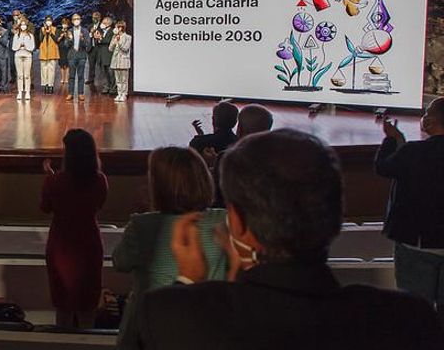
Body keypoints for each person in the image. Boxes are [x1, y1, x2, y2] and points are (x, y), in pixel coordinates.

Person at [134, 129, 444, 350]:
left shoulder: (170, 315)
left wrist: (188, 282)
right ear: (336, 216)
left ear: (237, 223)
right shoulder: (409, 320)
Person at [113, 147, 227, 350]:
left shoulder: (141, 226)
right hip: (210, 323)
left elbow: (120, 262)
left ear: (156, 187)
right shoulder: (225, 220)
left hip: (150, 328)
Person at [375, 97, 444, 321]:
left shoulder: (413, 152)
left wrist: (392, 141)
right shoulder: (412, 152)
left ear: (431, 123)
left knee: (415, 312)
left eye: (427, 113)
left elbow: (385, 167)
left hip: (416, 243)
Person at [40, 129, 108, 328]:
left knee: (63, 303)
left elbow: (45, 208)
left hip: (61, 245)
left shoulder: (53, 181)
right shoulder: (100, 180)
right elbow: (98, 204)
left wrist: (50, 177)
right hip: (89, 243)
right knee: (88, 303)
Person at [63, 14, 91, 102]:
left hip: (82, 56)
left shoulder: (85, 31)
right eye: (74, 19)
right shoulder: (69, 31)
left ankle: (80, 93)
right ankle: (70, 93)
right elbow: (66, 45)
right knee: (71, 76)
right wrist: (70, 39)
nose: (76, 20)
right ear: (72, 21)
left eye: (78, 19)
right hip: (72, 56)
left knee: (81, 75)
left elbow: (88, 44)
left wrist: (82, 39)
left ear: (80, 20)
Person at [12, 18, 35, 101]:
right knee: (20, 75)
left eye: (24, 25)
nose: (23, 26)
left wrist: (25, 46)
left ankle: (27, 92)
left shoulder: (30, 35)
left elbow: (32, 47)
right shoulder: (16, 35)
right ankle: (20, 92)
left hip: (28, 56)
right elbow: (14, 47)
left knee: (27, 75)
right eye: (21, 25)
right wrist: (19, 45)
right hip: (18, 55)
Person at [108, 20, 132, 102]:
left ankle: (124, 94)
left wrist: (119, 42)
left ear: (121, 28)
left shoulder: (128, 37)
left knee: (124, 79)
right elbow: (110, 49)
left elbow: (125, 49)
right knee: (117, 79)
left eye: (117, 27)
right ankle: (119, 93)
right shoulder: (114, 37)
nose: (116, 29)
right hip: (115, 60)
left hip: (123, 60)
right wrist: (114, 42)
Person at [92, 16, 115, 95]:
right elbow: (97, 42)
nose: (102, 24)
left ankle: (113, 88)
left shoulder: (112, 32)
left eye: (104, 23)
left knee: (110, 72)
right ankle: (106, 87)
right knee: (103, 72)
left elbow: (109, 41)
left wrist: (100, 38)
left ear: (109, 23)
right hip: (101, 55)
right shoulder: (101, 31)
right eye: (102, 23)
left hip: (108, 55)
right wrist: (96, 38)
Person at [38, 15, 60, 94]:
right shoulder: (42, 29)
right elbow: (40, 39)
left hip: (52, 52)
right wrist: (45, 32)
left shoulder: (55, 29)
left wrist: (50, 33)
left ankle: (51, 85)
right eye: (47, 20)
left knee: (51, 69)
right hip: (44, 52)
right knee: (44, 69)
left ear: (52, 21)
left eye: (50, 20)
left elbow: (57, 40)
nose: (48, 22)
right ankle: (45, 85)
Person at [86, 11, 102, 87]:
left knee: (100, 64)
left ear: (99, 18)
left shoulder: (102, 26)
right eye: (93, 17)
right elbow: (87, 37)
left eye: (96, 17)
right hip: (91, 48)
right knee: (91, 64)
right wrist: (91, 33)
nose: (94, 19)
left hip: (98, 48)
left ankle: (102, 80)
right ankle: (90, 79)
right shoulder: (90, 26)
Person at [56, 17, 71, 90]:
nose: (64, 25)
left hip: (68, 49)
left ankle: (67, 79)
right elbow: (57, 40)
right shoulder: (59, 30)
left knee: (67, 64)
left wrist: (67, 36)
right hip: (61, 48)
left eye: (66, 24)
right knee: (62, 64)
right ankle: (62, 78)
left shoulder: (70, 31)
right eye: (63, 23)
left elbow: (71, 40)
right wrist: (61, 36)